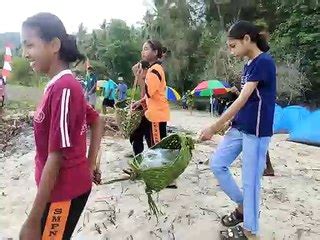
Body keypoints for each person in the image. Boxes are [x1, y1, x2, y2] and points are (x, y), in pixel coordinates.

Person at [20, 12, 103, 240]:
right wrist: (90, 163)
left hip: (64, 193)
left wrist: (32, 221)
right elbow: (97, 119)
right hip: (54, 192)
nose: (25, 53)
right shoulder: (58, 85)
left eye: (30, 45)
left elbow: (55, 157)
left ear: (54, 44)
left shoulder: (65, 88)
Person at [199, 21, 276, 239]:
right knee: (218, 164)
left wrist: (214, 126)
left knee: (250, 180)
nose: (231, 51)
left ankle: (250, 230)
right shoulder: (249, 64)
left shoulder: (264, 62)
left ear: (247, 40)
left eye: (233, 46)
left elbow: (242, 98)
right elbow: (247, 99)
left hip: (257, 131)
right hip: (240, 126)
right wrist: (226, 124)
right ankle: (243, 206)